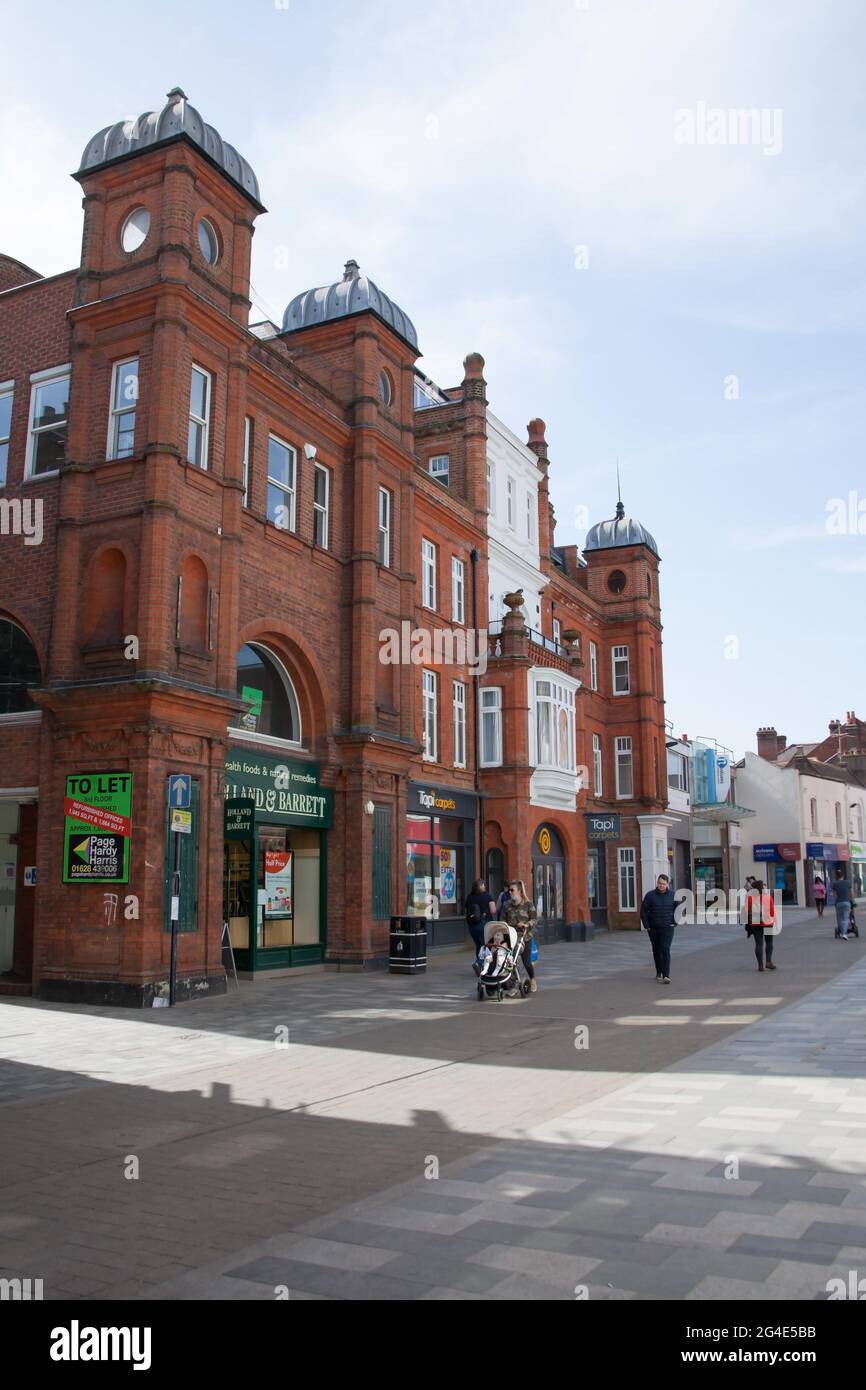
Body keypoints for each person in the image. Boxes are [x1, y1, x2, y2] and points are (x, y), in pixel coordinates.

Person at [501, 880, 539, 992]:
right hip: (510, 936)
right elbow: (502, 920)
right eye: (509, 890)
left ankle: (532, 979)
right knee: (510, 959)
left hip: (525, 936)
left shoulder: (528, 904)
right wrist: (505, 927)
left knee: (526, 962)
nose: (510, 892)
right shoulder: (506, 905)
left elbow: (535, 919)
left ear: (520, 891)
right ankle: (511, 983)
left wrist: (527, 924)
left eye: (512, 890)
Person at [639, 873, 677, 983]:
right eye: (660, 883)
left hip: (667, 928)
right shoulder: (650, 895)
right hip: (653, 928)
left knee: (665, 949)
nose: (661, 885)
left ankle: (666, 975)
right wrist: (647, 926)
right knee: (656, 950)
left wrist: (674, 922)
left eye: (663, 884)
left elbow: (679, 910)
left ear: (667, 884)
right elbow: (643, 911)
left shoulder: (673, 895)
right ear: (657, 883)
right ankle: (659, 972)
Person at [745, 878, 777, 971]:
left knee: (758, 944)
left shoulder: (750, 898)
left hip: (755, 923)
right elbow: (771, 912)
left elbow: (746, 910)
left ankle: (760, 965)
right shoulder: (768, 897)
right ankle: (768, 962)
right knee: (769, 942)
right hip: (767, 923)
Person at [464, 878, 496, 959]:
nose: (485, 886)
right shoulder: (487, 896)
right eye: (483, 885)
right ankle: (481, 964)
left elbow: (467, 908)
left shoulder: (469, 896)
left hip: (472, 925)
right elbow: (493, 911)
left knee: (478, 945)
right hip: (485, 924)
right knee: (486, 946)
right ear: (481, 886)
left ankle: (479, 964)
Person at [831, 867, 852, 940]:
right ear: (843, 876)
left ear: (837, 876)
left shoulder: (835, 884)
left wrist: (836, 900)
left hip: (838, 903)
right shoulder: (848, 882)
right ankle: (844, 933)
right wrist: (851, 900)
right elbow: (851, 893)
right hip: (847, 902)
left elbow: (834, 895)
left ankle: (840, 933)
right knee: (845, 919)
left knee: (839, 919)